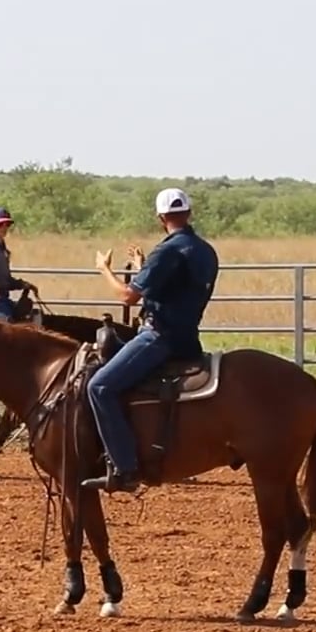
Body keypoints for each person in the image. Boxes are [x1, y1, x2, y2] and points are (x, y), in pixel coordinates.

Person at [81, 188, 219, 493]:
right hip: (187, 339)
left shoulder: (168, 251)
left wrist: (104, 269)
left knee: (99, 387)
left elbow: (128, 297)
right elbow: (175, 288)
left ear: (160, 218)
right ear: (189, 213)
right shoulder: (205, 250)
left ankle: (124, 468)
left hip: (159, 337)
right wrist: (145, 267)